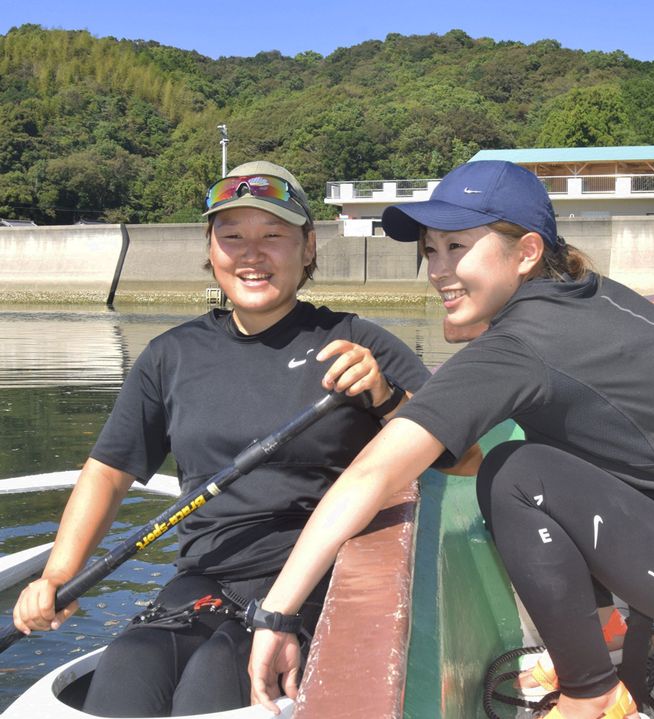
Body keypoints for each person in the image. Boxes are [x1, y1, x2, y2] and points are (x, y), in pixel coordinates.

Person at [248, 160, 654, 719]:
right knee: (529, 459)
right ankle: (607, 633)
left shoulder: (520, 347)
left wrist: (276, 615)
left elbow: (374, 472)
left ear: (525, 253)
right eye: (430, 249)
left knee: (517, 473)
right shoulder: (588, 294)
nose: (438, 270)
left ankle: (592, 694)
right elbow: (462, 455)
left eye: (458, 248)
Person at [12, 160, 470, 717]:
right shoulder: (169, 356)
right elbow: (109, 472)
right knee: (130, 662)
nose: (251, 254)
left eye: (272, 236)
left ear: (307, 249)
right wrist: (60, 574)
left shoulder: (356, 341)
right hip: (203, 575)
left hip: (313, 576)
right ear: (211, 250)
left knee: (218, 675)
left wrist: (384, 396)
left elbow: (463, 456)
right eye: (232, 237)